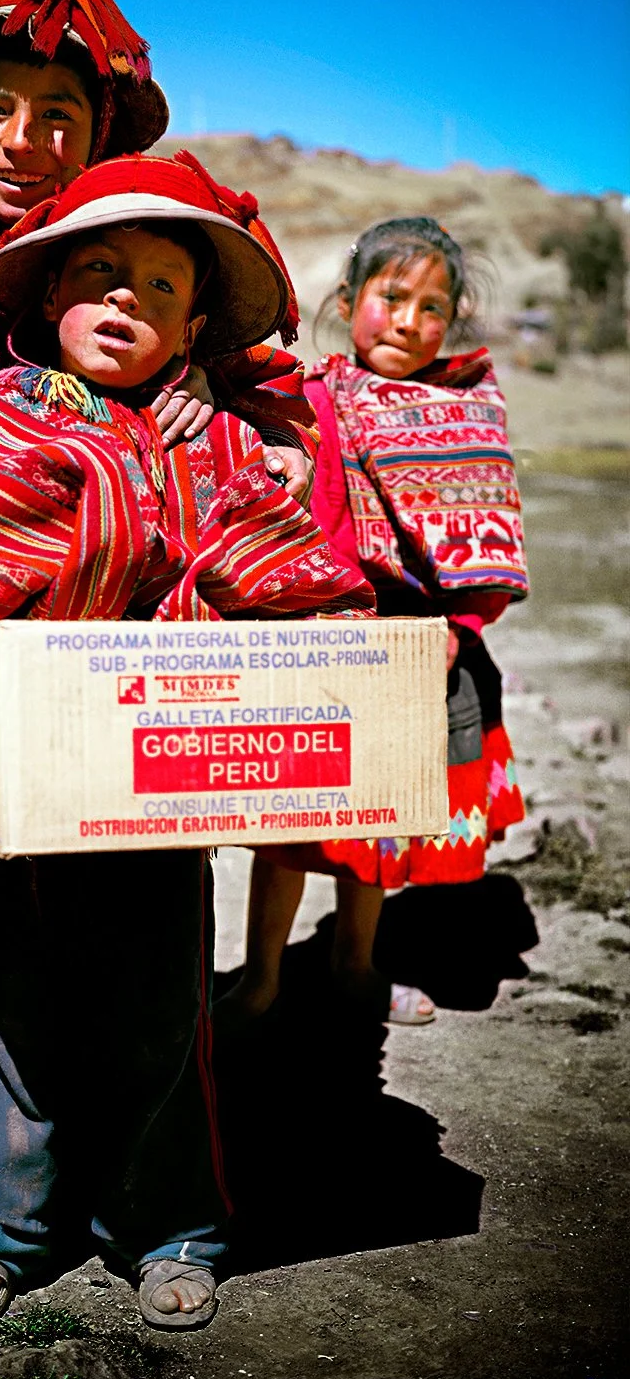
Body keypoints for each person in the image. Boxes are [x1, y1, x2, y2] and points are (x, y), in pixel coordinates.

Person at [0, 154, 372, 1333]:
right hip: (11, 801)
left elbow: (306, 598)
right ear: (46, 296)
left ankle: (165, 1220)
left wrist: (332, 677)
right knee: (4, 1011)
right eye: (100, 274)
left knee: (162, 1010)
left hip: (162, 804)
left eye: (161, 288)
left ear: (194, 325)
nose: (127, 301)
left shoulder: (212, 448)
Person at [229, 217, 528, 1028]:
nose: (409, 320)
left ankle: (355, 962)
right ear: (349, 300)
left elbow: (483, 535)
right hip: (317, 637)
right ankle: (261, 978)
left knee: (375, 816)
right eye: (392, 297)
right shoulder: (312, 400)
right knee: (288, 826)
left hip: (416, 646)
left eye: (434, 308)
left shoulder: (466, 413)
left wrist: (458, 627)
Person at [0, 0, 317, 497]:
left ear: (102, 137)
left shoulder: (151, 258)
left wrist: (205, 386)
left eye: (57, 114)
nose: (22, 141)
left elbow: (269, 394)